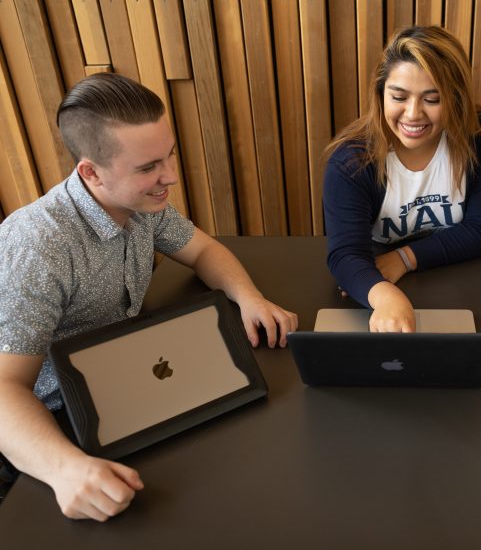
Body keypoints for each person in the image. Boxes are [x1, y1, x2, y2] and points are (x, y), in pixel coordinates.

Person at [0, 73, 298, 520]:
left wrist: (249, 297)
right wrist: (64, 470)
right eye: (148, 168)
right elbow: (4, 388)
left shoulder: (141, 203)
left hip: (131, 379)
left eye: (169, 155)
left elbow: (203, 249)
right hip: (52, 421)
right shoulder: (38, 246)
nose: (171, 177)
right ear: (90, 172)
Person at [323, 25, 481, 332]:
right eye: (399, 96)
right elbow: (345, 255)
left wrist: (404, 258)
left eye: (432, 99)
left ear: (456, 99)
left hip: (458, 278)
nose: (413, 114)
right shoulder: (350, 161)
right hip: (376, 280)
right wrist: (386, 298)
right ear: (381, 94)